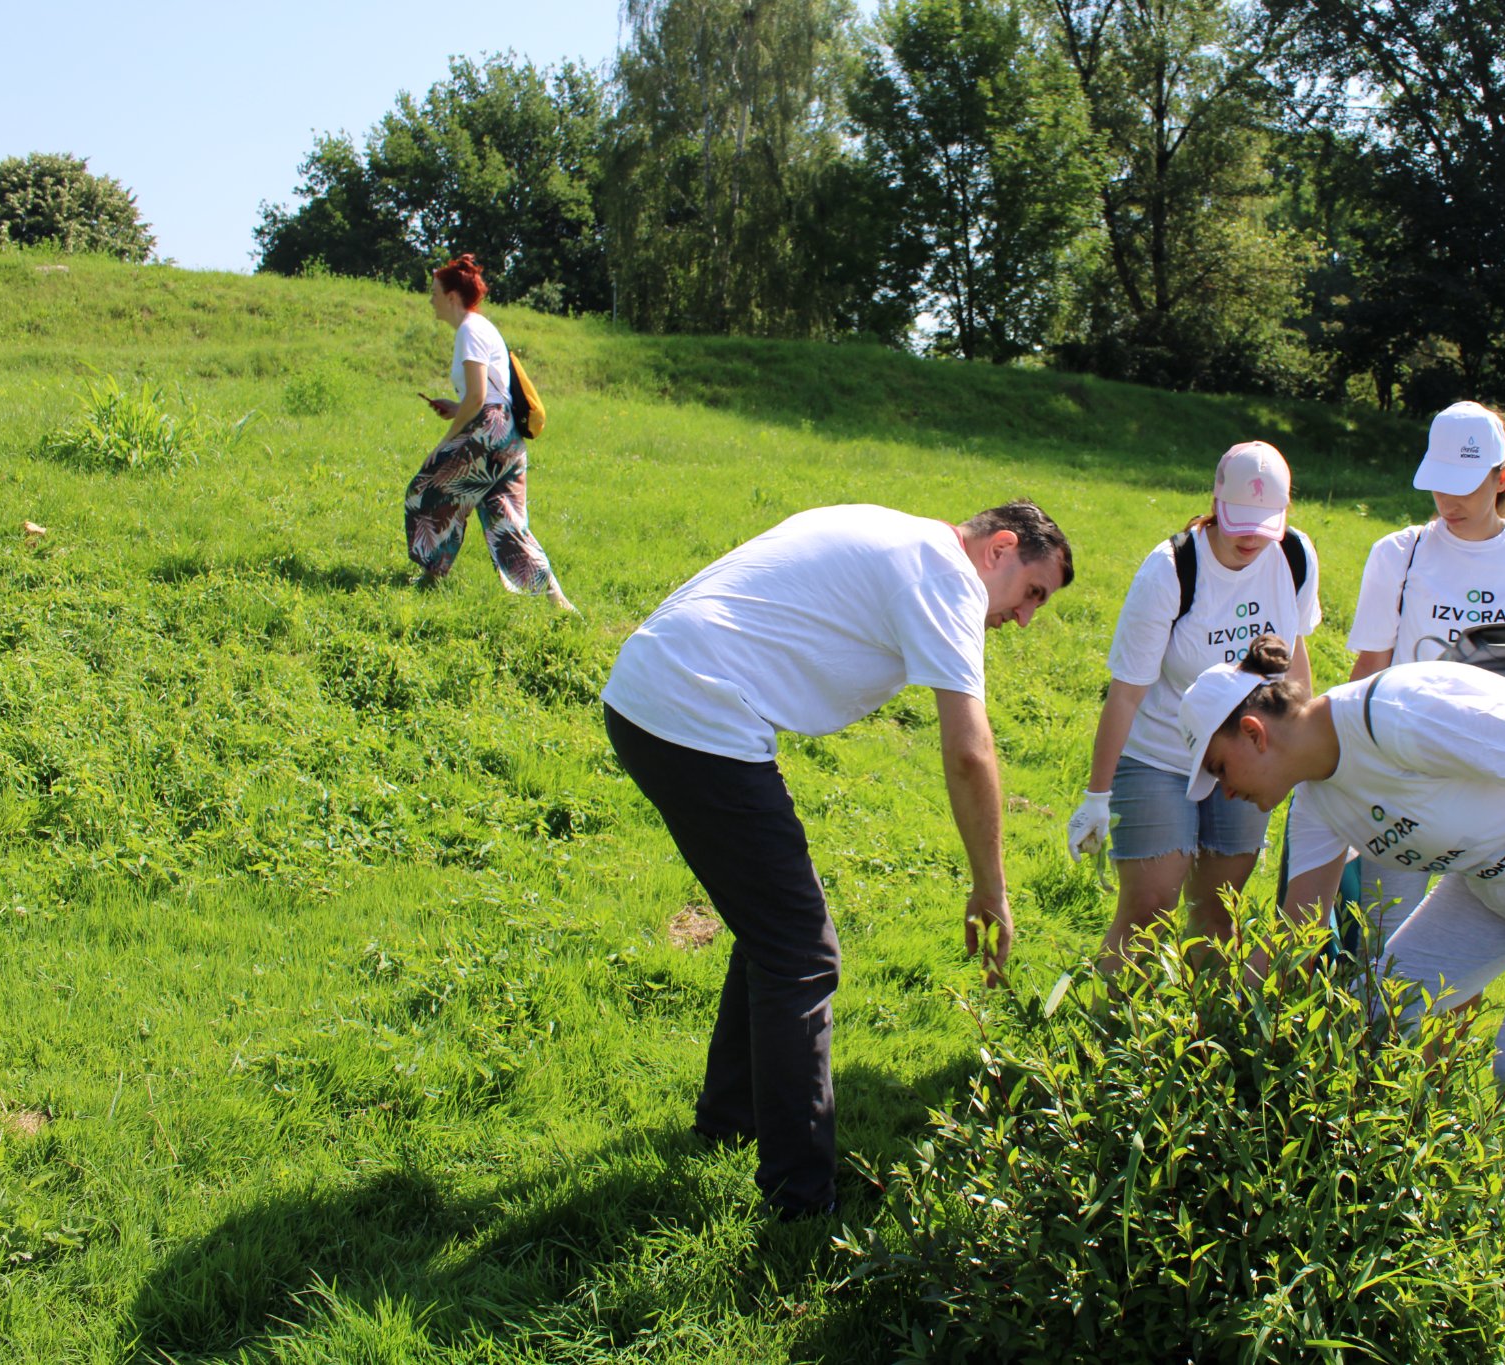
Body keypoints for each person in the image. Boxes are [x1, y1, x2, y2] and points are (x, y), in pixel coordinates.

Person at [601, 501, 1073, 1219]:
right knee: (801, 953)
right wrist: (991, 888)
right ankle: (800, 1201)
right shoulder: (948, 575)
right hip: (694, 710)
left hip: (657, 691)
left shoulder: (900, 535)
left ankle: (730, 1120)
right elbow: (970, 752)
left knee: (774, 928)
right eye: (1033, 592)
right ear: (1000, 548)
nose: (1026, 618)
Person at [1181, 635, 1505, 1212]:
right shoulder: (1317, 803)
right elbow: (1296, 936)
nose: (1225, 791)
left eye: (1219, 768)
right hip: (1496, 886)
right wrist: (1216, 1030)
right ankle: (1368, 1184)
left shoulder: (1393, 714)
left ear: (1254, 733)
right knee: (1371, 1015)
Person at [1280, 401, 1505, 946]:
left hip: (1499, 778)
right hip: (1403, 775)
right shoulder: (1399, 553)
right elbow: (1368, 670)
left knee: (1463, 944)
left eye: (1464, 485)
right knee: (1383, 941)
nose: (1448, 501)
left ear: (1502, 478)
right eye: (1439, 483)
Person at [1063, 442, 1320, 966]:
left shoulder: (1294, 556)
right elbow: (1126, 691)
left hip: (1248, 757)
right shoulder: (1171, 569)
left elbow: (1295, 657)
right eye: (1239, 521)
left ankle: (1202, 1017)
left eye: (1264, 525)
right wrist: (1097, 796)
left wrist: (1301, 750)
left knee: (1219, 912)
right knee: (1149, 908)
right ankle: (1111, 1016)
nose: (1250, 538)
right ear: (1215, 500)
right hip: (1162, 755)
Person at [405, 253, 573, 610]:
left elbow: (479, 397)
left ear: (452, 296)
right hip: (505, 435)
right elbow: (486, 396)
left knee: (425, 490)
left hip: (489, 431)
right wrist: (456, 408)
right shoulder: (479, 328)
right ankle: (556, 602)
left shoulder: (469, 330)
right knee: (504, 519)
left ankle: (433, 573)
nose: (430, 300)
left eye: (434, 292)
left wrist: (447, 441)